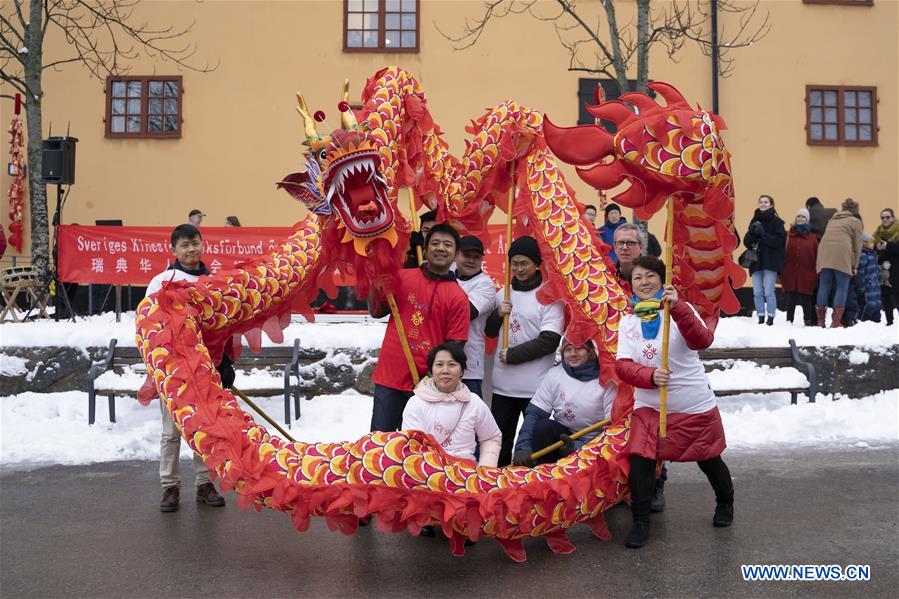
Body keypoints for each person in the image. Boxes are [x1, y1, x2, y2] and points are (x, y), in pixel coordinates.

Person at [615, 256, 734, 549]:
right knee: (641, 460)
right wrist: (650, 375)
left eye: (650, 276)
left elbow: (701, 340)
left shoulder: (680, 309)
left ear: (662, 279)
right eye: (638, 278)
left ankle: (725, 502)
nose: (644, 282)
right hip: (650, 405)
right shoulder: (628, 321)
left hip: (691, 402)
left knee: (707, 458)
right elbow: (622, 365)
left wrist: (678, 307)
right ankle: (641, 522)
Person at [146, 224, 228, 512]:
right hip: (174, 371)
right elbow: (149, 327)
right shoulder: (161, 282)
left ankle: (205, 483)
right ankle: (169, 487)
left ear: (202, 244)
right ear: (174, 250)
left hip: (207, 370)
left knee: (203, 429)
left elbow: (223, 326)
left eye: (195, 243)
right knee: (171, 432)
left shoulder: (215, 281)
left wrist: (225, 363)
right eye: (184, 245)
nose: (191, 249)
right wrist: (159, 367)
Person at [369, 223, 470, 432]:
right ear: (425, 249)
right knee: (379, 444)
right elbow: (376, 311)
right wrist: (378, 289)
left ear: (456, 254)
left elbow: (455, 346)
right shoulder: (403, 277)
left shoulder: (458, 297)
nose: (440, 248)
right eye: (435, 243)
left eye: (447, 245)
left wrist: (432, 379)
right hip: (391, 377)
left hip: (426, 385)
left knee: (419, 448)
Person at [401, 343, 501, 537]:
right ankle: (425, 515)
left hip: (465, 472)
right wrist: (436, 473)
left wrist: (485, 471)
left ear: (462, 370)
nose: (445, 370)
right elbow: (413, 446)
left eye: (452, 364)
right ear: (430, 370)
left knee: (465, 529)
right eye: (439, 365)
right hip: (428, 471)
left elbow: (491, 437)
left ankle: (464, 518)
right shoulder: (416, 402)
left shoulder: (474, 402)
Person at [484, 236, 565, 467]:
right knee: (499, 441)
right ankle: (496, 484)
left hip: (535, 387)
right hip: (502, 386)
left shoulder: (549, 297)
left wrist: (513, 354)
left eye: (524, 263)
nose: (519, 268)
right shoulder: (504, 294)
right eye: (515, 263)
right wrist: (498, 314)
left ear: (536, 263)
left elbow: (549, 340)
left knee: (531, 446)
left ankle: (530, 489)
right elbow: (489, 332)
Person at [511, 339, 615, 466]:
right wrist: (523, 447)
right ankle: (545, 477)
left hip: (593, 443)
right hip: (562, 438)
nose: (573, 354)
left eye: (579, 348)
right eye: (568, 349)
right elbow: (534, 414)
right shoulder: (554, 374)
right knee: (543, 427)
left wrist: (577, 447)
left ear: (591, 352)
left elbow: (612, 431)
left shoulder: (608, 381)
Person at [455, 236, 496, 398]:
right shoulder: (446, 277)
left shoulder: (485, 284)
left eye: (476, 257)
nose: (471, 260)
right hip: (438, 363)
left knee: (470, 419)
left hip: (469, 367)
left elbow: (465, 313)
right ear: (456, 255)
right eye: (466, 255)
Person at [816, 198, 863, 328]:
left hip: (824, 254)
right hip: (842, 254)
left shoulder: (832, 220)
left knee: (824, 286)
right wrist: (855, 265)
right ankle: (836, 322)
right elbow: (858, 246)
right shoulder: (855, 221)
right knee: (842, 287)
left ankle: (820, 321)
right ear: (855, 211)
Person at [744, 195, 786, 325]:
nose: (763, 204)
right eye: (761, 202)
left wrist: (763, 234)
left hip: (771, 261)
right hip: (756, 260)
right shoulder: (754, 220)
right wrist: (751, 233)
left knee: (769, 291)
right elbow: (747, 243)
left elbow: (778, 242)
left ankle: (771, 317)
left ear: (771, 205)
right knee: (757, 291)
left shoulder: (778, 222)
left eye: (766, 202)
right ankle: (761, 315)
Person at [781, 208, 819, 326]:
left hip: (807, 273)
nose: (800, 219)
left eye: (803, 217)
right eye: (798, 217)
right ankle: (789, 321)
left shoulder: (813, 238)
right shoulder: (788, 235)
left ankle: (807, 322)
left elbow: (816, 254)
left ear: (807, 220)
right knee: (790, 298)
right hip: (790, 271)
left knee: (806, 298)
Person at [874, 208, 899, 325]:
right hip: (883, 267)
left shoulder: (898, 229)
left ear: (893, 218)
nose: (885, 219)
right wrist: (876, 247)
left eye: (887, 217)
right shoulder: (879, 232)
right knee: (885, 294)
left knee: (897, 293)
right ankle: (889, 321)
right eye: (882, 217)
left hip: (896, 266)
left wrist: (887, 246)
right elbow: (873, 244)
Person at [612, 223, 645, 295]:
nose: (624, 247)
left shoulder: (652, 275)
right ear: (614, 247)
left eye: (630, 243)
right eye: (620, 243)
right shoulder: (609, 274)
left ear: (641, 247)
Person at [855, 234, 882, 323]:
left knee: (876, 315)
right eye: (871, 242)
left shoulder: (873, 255)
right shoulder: (863, 256)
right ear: (864, 243)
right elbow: (860, 274)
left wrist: (881, 267)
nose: (873, 244)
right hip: (868, 292)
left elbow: (875, 270)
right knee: (865, 319)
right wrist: (862, 290)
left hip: (875, 291)